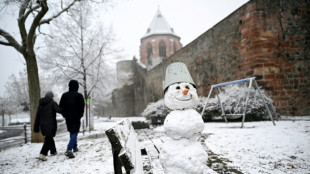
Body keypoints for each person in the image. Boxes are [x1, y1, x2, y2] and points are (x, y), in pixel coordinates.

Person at [34, 91, 62, 161]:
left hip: (43, 125)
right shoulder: (52, 103)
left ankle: (53, 151)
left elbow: (37, 116)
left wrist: (36, 127)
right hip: (51, 124)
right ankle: (42, 154)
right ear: (51, 97)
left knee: (49, 137)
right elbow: (59, 110)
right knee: (48, 138)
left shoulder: (40, 104)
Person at [60, 80, 85, 159]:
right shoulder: (79, 95)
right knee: (75, 132)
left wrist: (64, 115)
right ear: (77, 86)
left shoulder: (64, 95)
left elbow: (61, 107)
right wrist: (80, 115)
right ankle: (69, 149)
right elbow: (82, 107)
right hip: (76, 116)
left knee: (72, 131)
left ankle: (75, 147)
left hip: (68, 117)